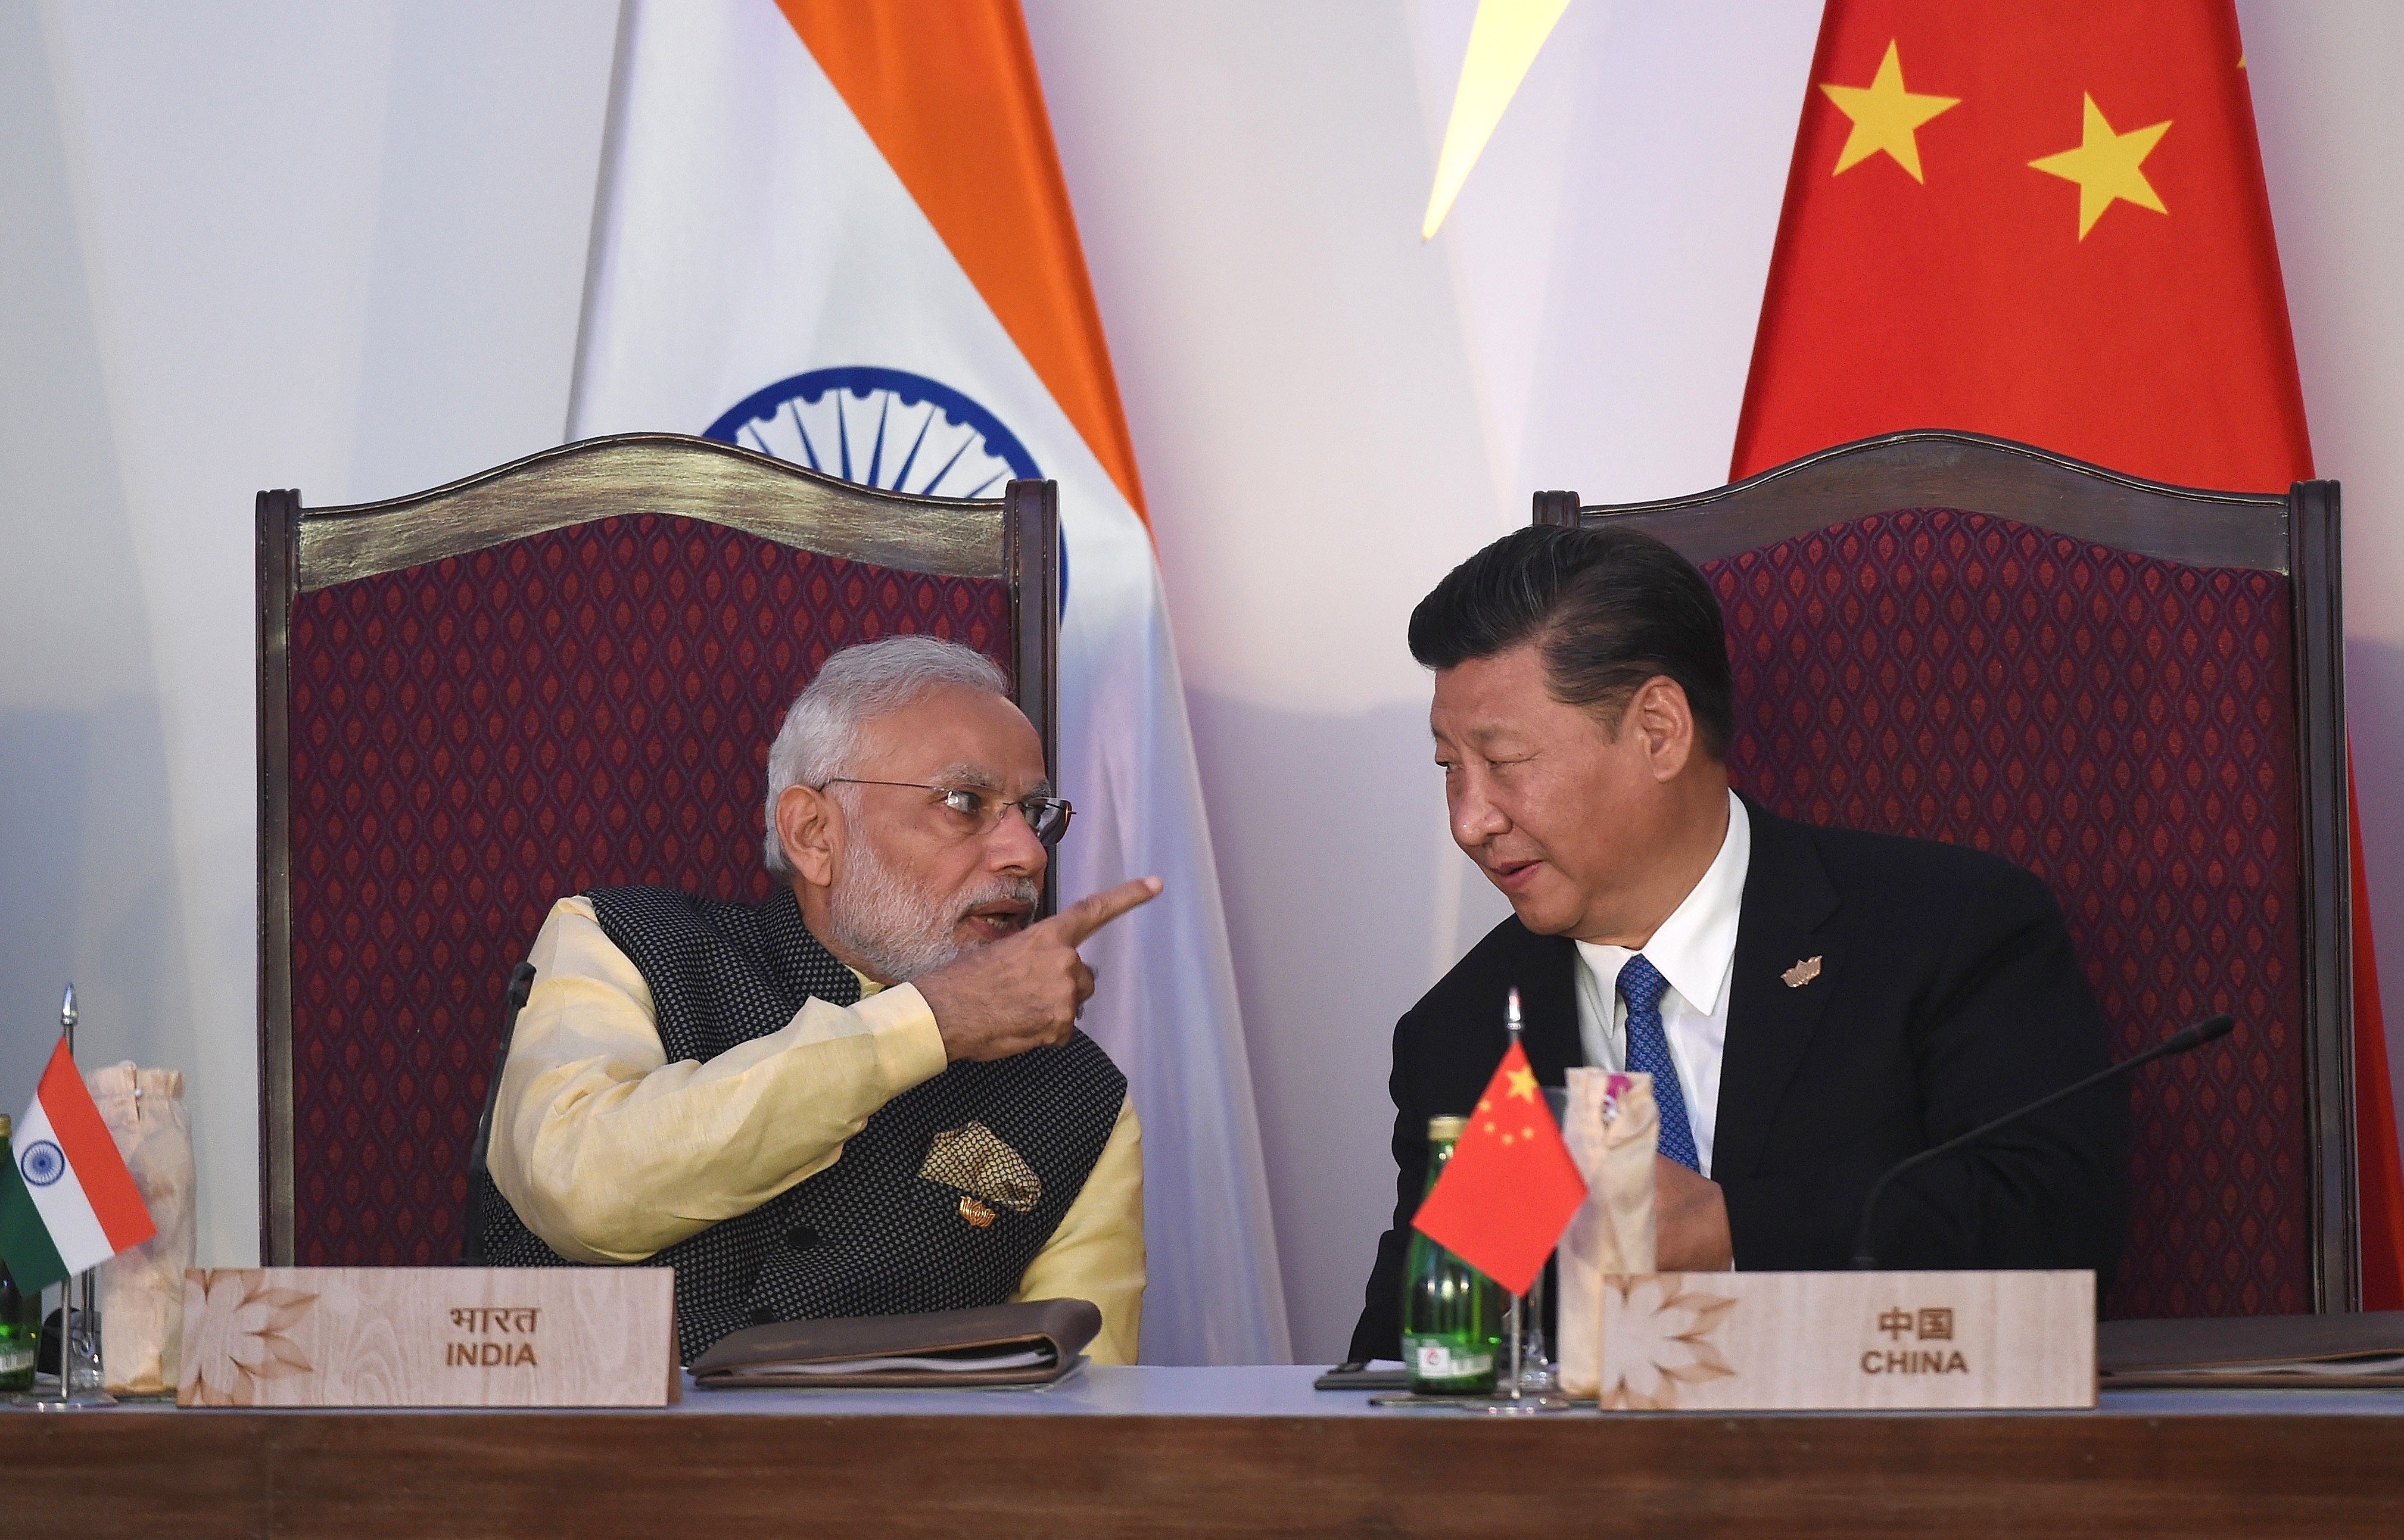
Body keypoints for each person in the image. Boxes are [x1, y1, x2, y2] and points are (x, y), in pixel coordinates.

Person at [1350, 525, 2126, 1361]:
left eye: (1504, 760)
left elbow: (2056, 1227)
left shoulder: (1946, 930)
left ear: (1658, 729)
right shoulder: (1466, 1031)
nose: (1471, 819)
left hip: (1901, 1466)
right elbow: (1406, 1360)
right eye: (1449, 768)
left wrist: (1725, 1229)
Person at [477, 635, 1156, 1365]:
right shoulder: (620, 940)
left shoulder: (1078, 1095)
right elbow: (580, 1193)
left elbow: (1084, 1412)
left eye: (1035, 812)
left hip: (895, 1478)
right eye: (965, 803)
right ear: (813, 834)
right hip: (568, 1467)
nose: (1027, 854)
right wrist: (931, 1023)